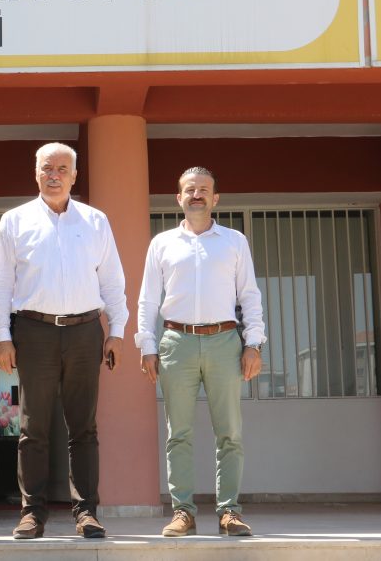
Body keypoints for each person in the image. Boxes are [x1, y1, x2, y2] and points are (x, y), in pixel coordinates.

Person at [0, 142, 128, 540]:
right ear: (36, 173)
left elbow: (112, 281)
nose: (54, 175)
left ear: (74, 175)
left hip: (85, 331)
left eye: (62, 169)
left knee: (84, 427)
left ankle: (87, 513)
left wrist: (117, 331)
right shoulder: (15, 221)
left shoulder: (95, 221)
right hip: (34, 332)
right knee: (33, 427)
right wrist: (2, 336)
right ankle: (32, 513)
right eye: (47, 168)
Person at [136, 166, 266, 537]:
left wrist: (253, 343)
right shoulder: (162, 243)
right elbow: (148, 299)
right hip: (176, 342)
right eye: (190, 190)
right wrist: (147, 345)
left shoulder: (234, 241)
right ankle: (183, 513)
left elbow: (249, 295)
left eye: (204, 190)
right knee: (178, 433)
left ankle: (229, 512)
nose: (197, 195)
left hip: (225, 341)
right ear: (178, 198)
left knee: (230, 433)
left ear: (215, 198)